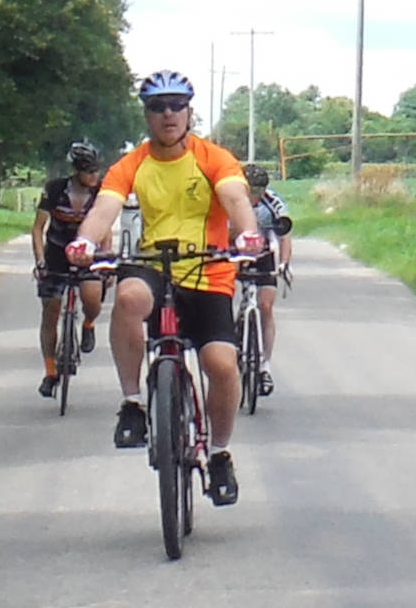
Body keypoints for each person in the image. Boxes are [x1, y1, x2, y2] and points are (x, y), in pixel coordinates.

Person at [64, 71, 264, 506]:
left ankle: (219, 454)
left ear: (190, 111)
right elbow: (105, 207)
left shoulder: (214, 158)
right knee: (130, 297)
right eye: (158, 107)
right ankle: (133, 404)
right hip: (156, 264)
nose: (168, 114)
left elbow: (233, 199)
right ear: (147, 115)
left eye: (177, 105)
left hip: (208, 270)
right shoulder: (132, 163)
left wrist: (247, 233)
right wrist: (84, 240)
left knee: (221, 364)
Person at [32, 141, 108, 396]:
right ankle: (50, 371)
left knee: (92, 299)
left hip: (88, 254)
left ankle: (88, 323)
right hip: (56, 253)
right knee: (51, 310)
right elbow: (38, 229)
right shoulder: (55, 190)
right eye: (89, 171)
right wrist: (40, 261)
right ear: (77, 171)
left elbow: (105, 230)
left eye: (97, 171)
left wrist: (105, 259)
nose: (95, 176)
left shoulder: (100, 194)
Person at [235, 163, 294, 395]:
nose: (255, 197)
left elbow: (284, 236)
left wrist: (284, 264)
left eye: (259, 192)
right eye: (251, 191)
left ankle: (264, 366)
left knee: (266, 306)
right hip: (235, 252)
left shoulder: (273, 202)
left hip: (264, 254)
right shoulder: (230, 199)